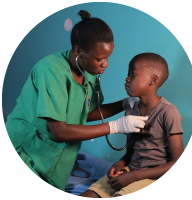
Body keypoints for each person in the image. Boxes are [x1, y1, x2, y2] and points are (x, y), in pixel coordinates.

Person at [5, 10, 148, 192]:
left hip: (57, 159)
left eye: (108, 57)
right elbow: (59, 131)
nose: (106, 64)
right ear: (79, 51)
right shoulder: (51, 71)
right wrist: (116, 126)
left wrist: (124, 104)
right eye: (100, 59)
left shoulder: (89, 70)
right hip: (28, 150)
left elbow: (85, 114)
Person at [78, 52, 184, 198]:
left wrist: (133, 177)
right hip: (130, 170)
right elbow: (130, 154)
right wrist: (118, 165)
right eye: (128, 73)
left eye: (133, 74)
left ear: (153, 80)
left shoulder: (168, 112)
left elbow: (176, 162)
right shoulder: (132, 109)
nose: (127, 78)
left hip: (151, 178)